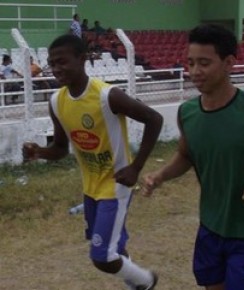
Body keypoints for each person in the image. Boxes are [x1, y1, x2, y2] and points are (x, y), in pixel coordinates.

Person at [142, 24, 244, 290]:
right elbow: (186, 155)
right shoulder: (187, 113)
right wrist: (160, 175)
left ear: (229, 63)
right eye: (191, 62)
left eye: (204, 63)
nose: (195, 71)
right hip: (211, 224)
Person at [22, 34, 162, 290]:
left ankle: (146, 281)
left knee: (102, 257)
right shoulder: (57, 102)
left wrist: (135, 167)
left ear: (82, 59)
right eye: (52, 64)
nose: (56, 69)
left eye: (62, 62)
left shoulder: (107, 96)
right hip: (90, 188)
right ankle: (136, 285)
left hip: (116, 185)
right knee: (114, 247)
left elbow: (154, 119)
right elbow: (61, 149)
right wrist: (39, 152)